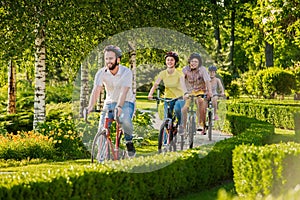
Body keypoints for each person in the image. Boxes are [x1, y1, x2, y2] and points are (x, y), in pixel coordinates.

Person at [86, 45, 136, 157]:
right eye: (106, 58)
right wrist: (90, 107)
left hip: (126, 101)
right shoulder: (101, 73)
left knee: (125, 120)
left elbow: (124, 91)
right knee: (102, 127)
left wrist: (119, 107)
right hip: (109, 102)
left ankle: (129, 141)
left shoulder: (126, 72)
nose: (108, 61)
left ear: (118, 59)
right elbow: (96, 90)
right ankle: (101, 158)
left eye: (111, 58)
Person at [148, 51, 187, 135]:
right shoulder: (163, 73)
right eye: (168, 60)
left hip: (179, 97)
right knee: (166, 120)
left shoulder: (179, 73)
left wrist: (185, 94)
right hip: (168, 97)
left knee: (177, 109)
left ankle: (180, 125)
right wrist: (150, 94)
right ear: (165, 61)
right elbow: (156, 84)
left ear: (175, 62)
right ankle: (165, 142)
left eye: (172, 60)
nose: (169, 61)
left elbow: (183, 85)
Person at [181, 53, 212, 135]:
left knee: (200, 102)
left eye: (196, 62)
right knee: (184, 108)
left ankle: (201, 124)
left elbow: (207, 81)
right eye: (192, 61)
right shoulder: (185, 69)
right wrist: (184, 92)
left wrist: (209, 92)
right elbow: (181, 80)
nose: (193, 63)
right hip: (189, 91)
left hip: (200, 90)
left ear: (199, 63)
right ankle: (183, 127)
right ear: (189, 62)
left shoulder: (203, 70)